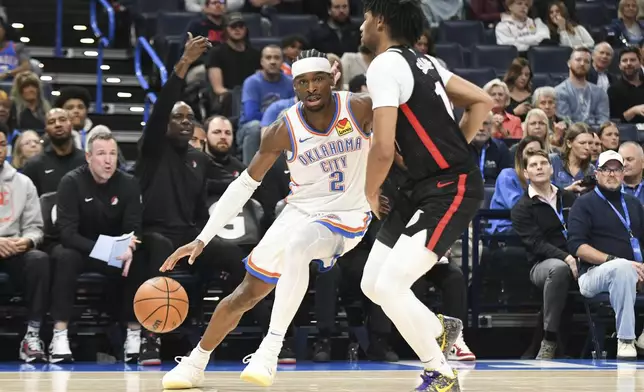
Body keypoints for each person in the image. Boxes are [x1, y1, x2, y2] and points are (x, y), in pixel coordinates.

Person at [159, 49, 377, 389]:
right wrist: (203, 238)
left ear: (332, 78)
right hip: (300, 211)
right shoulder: (281, 129)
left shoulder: (360, 107)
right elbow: (244, 184)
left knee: (300, 246)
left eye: (318, 79)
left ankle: (270, 349)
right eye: (302, 82)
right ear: (295, 87)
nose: (311, 88)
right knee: (245, 293)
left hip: (347, 214)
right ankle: (195, 362)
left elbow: (398, 140)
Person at [358, 0, 493, 390]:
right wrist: (456, 148)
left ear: (380, 22)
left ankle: (440, 373)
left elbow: (383, 149)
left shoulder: (383, 64)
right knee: (372, 283)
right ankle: (438, 328)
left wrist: (370, 193)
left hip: (448, 187)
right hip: (421, 186)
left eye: (366, 19)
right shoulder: (426, 62)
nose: (362, 27)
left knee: (389, 286)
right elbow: (482, 100)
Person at [48, 129, 146, 364]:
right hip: (80, 248)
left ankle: (134, 334)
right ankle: (59, 335)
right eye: (101, 153)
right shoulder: (71, 182)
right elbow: (68, 234)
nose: (108, 159)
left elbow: (135, 228)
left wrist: (130, 246)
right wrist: (105, 249)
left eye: (112, 153)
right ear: (88, 157)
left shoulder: (129, 183)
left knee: (138, 258)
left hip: (114, 251)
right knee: (64, 257)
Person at [0, 128, 50, 363]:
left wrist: (27, 240)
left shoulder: (23, 182)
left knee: (39, 260)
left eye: (1, 144)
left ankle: (32, 335)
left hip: (14, 248)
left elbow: (35, 227)